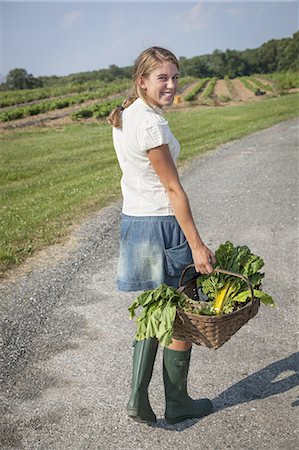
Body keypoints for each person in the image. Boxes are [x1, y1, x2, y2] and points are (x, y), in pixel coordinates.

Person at [108, 46, 216, 425]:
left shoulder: (127, 115)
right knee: (183, 313)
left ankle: (138, 400)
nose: (171, 84)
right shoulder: (151, 123)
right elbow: (173, 190)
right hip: (162, 225)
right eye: (162, 78)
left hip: (135, 223)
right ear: (142, 81)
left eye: (174, 76)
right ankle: (177, 402)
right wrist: (198, 245)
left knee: (155, 311)